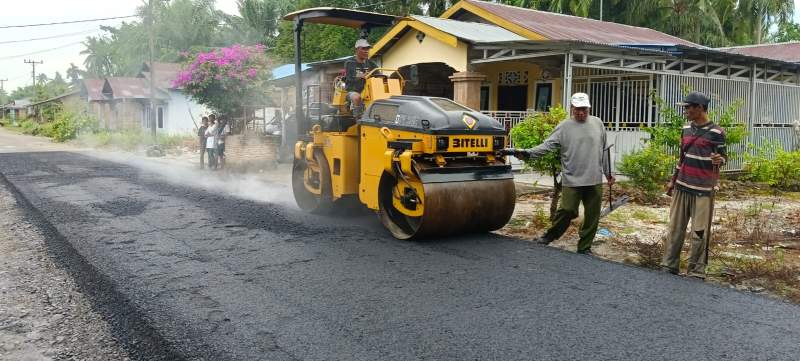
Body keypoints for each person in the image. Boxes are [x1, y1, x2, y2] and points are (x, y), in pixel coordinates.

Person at [504, 93, 615, 255]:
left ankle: (584, 247)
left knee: (593, 216)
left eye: (584, 109)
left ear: (589, 108)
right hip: (572, 179)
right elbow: (547, 146)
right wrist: (526, 153)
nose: (581, 113)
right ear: (571, 108)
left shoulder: (597, 123)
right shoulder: (564, 127)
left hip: (594, 179)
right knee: (567, 210)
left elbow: (604, 150)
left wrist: (608, 173)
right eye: (577, 109)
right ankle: (550, 235)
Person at [661, 91, 727, 278]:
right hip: (682, 186)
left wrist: (718, 159)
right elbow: (681, 158)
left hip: (703, 190)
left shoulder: (717, 132)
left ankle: (696, 270)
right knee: (675, 229)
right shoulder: (685, 129)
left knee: (699, 232)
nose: (686, 111)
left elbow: (724, 158)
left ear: (700, 108)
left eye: (688, 107)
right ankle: (669, 265)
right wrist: (672, 181)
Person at [344, 38, 377, 116]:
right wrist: (363, 75)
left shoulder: (370, 63)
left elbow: (378, 73)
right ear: (357, 49)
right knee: (357, 98)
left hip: (368, 91)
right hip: (353, 91)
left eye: (368, 49)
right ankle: (359, 120)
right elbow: (351, 77)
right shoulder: (350, 62)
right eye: (364, 48)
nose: (366, 51)